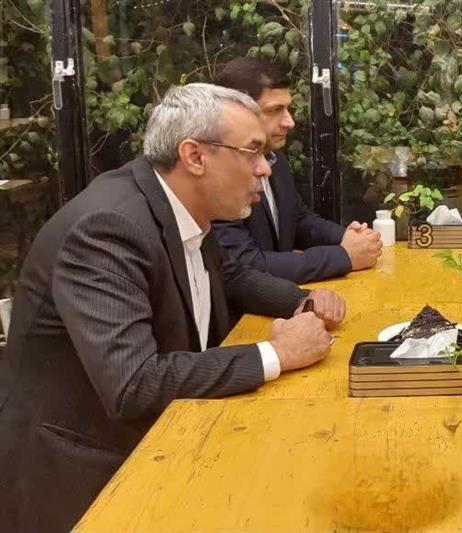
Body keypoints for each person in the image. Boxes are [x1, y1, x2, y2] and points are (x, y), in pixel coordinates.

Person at [0, 83, 346, 533]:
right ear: (195, 156)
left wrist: (302, 300)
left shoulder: (177, 205)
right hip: (82, 477)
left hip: (165, 441)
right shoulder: (107, 228)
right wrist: (277, 353)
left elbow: (230, 276)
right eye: (254, 152)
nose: (265, 169)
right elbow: (133, 383)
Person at [212, 57, 381, 284]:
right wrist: (344, 256)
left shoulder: (276, 159)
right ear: (237, 112)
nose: (289, 122)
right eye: (275, 110)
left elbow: (297, 219)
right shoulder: (218, 173)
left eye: (287, 108)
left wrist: (349, 237)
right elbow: (244, 265)